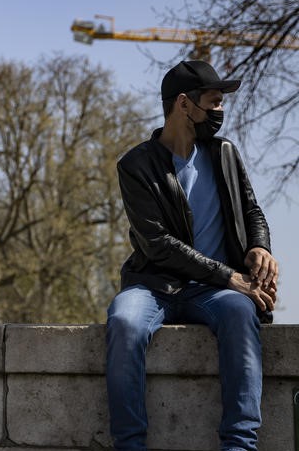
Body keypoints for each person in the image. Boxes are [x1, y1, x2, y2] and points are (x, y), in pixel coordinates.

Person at [106, 60, 279, 451]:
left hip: (214, 292)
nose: (220, 112)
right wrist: (231, 277)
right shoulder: (135, 165)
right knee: (123, 322)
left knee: (240, 312)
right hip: (154, 284)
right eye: (214, 103)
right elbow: (158, 244)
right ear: (184, 104)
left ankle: (239, 445)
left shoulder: (225, 154)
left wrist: (259, 247)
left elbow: (251, 209)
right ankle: (129, 445)